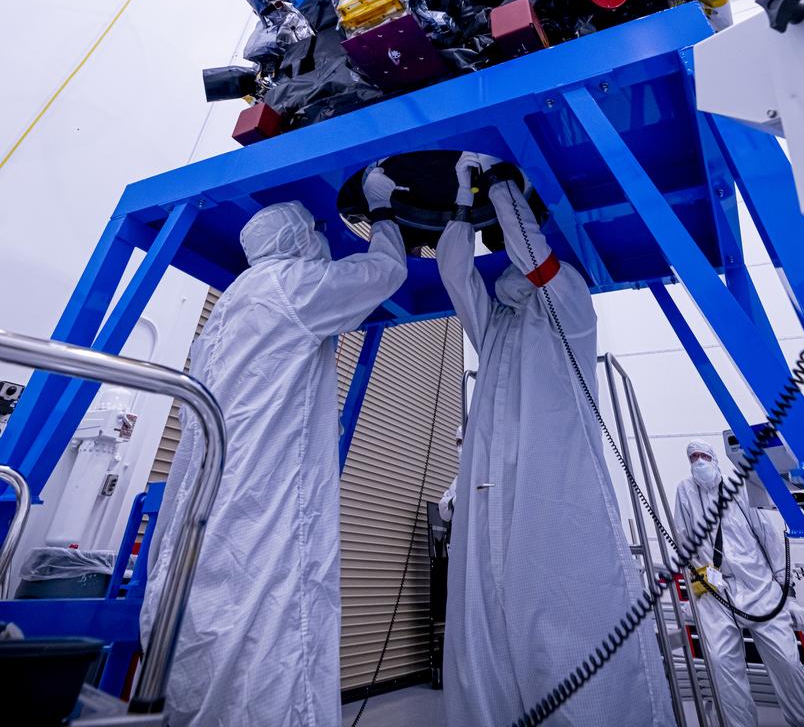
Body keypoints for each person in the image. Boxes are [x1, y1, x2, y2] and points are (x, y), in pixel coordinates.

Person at [140, 165, 406, 727]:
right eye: (316, 233)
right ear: (296, 240)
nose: (322, 242)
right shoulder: (293, 286)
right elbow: (385, 272)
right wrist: (383, 211)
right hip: (266, 501)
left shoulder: (231, 304)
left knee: (214, 626)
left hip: (210, 503)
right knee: (275, 627)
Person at [436, 152, 676, 727]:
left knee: (565, 624)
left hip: (553, 489)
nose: (507, 268)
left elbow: (531, 253)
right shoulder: (497, 324)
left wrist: (498, 181)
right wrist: (465, 197)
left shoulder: (568, 301)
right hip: (491, 492)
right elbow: (452, 272)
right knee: (486, 634)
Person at [675, 439, 804, 727]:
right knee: (722, 666)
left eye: (703, 456)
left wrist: (789, 596)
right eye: (693, 457)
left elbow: (771, 541)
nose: (698, 462)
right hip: (716, 592)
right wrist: (695, 592)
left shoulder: (740, 488)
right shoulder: (685, 492)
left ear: (714, 459)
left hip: (759, 586)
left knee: (787, 662)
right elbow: (685, 540)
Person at [439, 425, 464, 523]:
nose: (460, 448)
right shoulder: (459, 479)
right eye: (458, 443)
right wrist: (453, 501)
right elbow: (443, 508)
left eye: (463, 441)